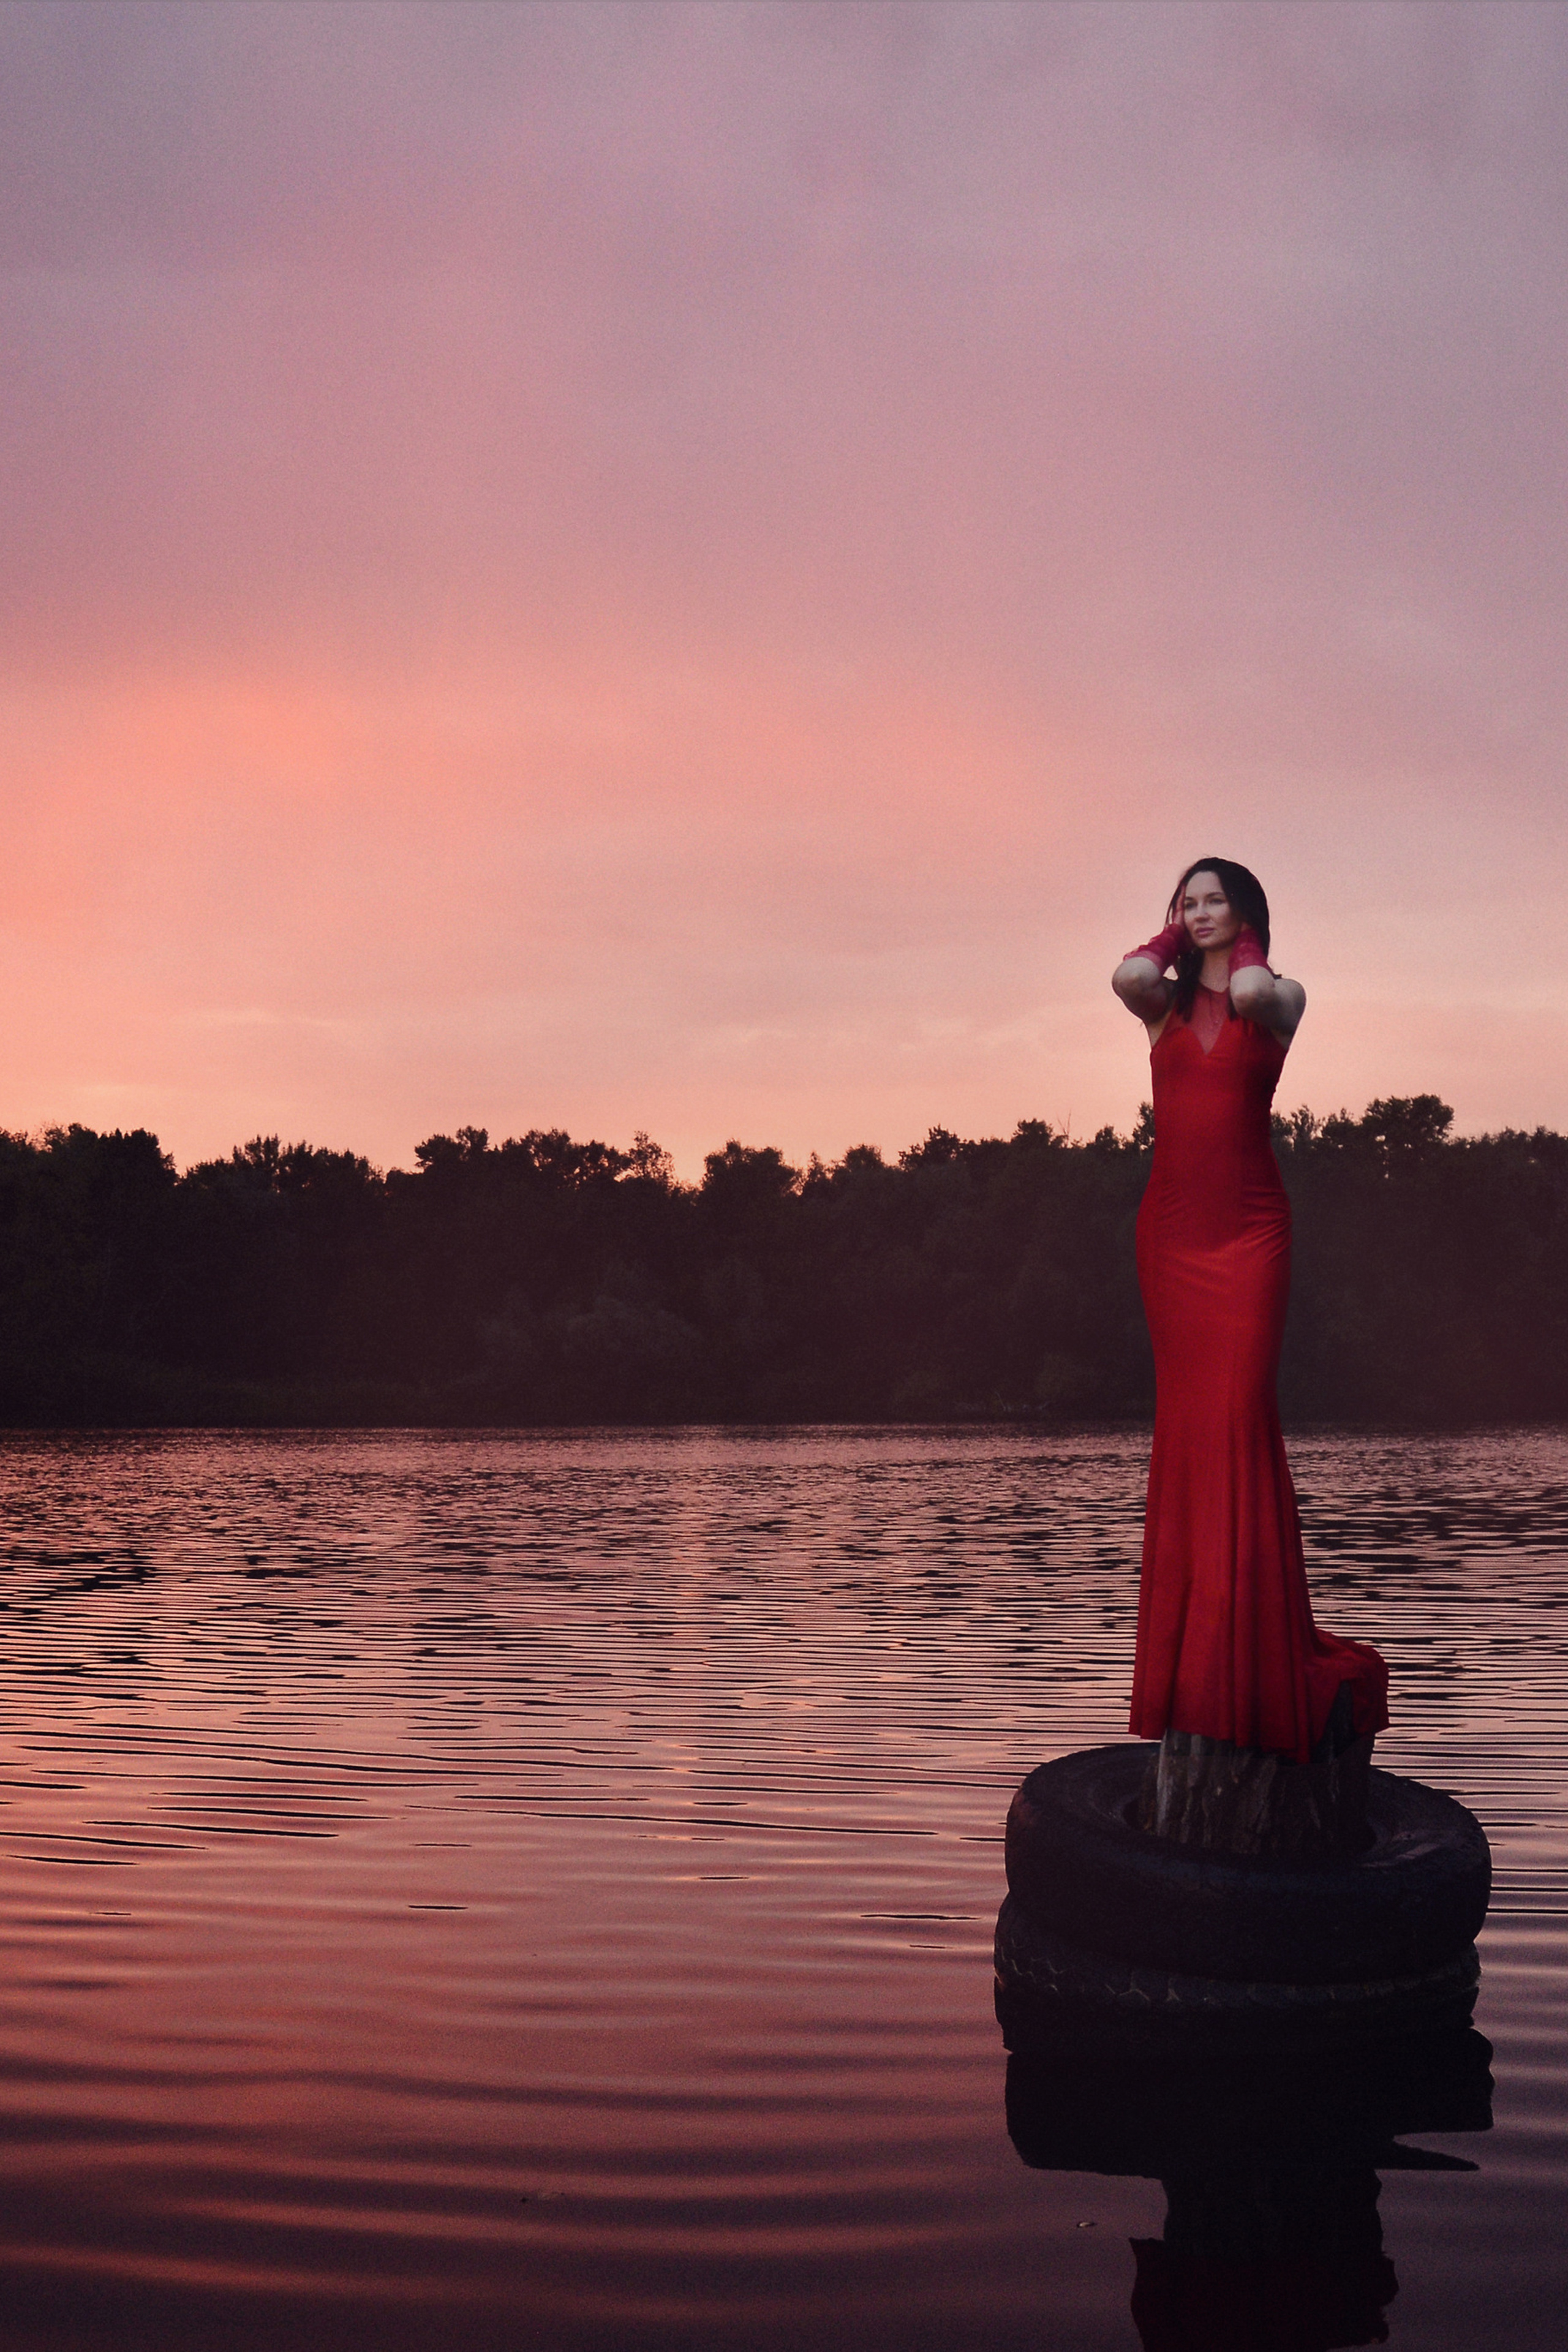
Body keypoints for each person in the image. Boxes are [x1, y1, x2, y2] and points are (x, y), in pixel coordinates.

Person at [1113, 858, 1388, 1765]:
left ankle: (1250, 1663)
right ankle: (1198, 1670)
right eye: (1183, 904)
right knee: (1190, 1427)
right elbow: (1128, 977)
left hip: (1249, 1239)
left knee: (1237, 1420)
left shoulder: (1281, 999)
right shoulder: (1161, 1008)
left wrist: (1246, 951)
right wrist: (1171, 943)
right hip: (1172, 1237)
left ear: (1246, 914)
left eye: (1212, 902)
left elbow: (1260, 987)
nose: (1195, 916)